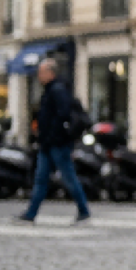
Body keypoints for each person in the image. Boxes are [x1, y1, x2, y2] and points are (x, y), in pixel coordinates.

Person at [15, 59, 91, 225]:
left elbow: (61, 115)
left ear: (51, 72)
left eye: (42, 72)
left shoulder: (57, 90)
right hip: (48, 143)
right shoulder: (51, 90)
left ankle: (84, 210)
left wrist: (51, 134)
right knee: (41, 178)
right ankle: (31, 213)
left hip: (57, 143)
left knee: (68, 176)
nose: (39, 75)